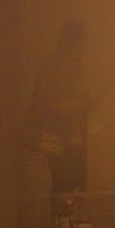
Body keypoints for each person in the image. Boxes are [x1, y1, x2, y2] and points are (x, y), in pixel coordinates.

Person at [29, 19, 92, 194]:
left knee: (75, 193)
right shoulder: (52, 67)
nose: (83, 46)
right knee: (64, 193)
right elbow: (42, 103)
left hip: (75, 142)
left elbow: (81, 103)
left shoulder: (77, 67)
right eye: (80, 40)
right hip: (60, 142)